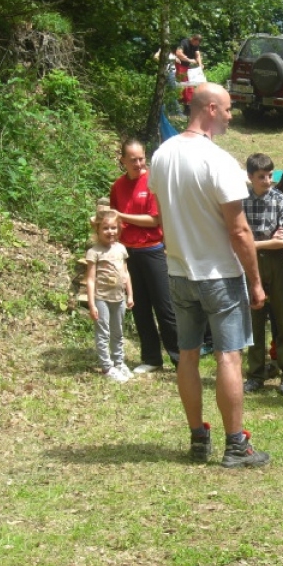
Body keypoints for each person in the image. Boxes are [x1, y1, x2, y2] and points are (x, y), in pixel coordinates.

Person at [149, 82, 269, 468]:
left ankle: (198, 440)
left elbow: (163, 214)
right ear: (212, 109)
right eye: (230, 108)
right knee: (228, 358)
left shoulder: (162, 154)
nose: (232, 115)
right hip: (218, 275)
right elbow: (238, 231)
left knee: (187, 356)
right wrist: (255, 281)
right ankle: (236, 446)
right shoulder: (218, 161)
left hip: (179, 273)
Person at [110, 138, 179, 374]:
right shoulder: (117, 186)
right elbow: (113, 220)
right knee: (139, 307)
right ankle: (151, 358)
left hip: (153, 250)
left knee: (165, 306)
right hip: (128, 253)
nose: (139, 163)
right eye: (133, 160)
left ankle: (180, 359)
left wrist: (122, 216)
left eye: (141, 158)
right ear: (123, 161)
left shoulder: (152, 183)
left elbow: (155, 220)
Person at [242, 153, 283, 396]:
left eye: (270, 175)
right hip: (250, 264)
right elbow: (235, 236)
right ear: (250, 177)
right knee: (254, 321)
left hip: (277, 264)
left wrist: (253, 244)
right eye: (261, 177)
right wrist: (265, 242)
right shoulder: (241, 201)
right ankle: (256, 374)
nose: (267, 181)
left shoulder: (281, 200)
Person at [85, 205, 134, 383]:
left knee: (118, 332)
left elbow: (126, 273)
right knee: (103, 332)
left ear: (119, 229)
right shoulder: (94, 252)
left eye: (113, 227)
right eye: (105, 228)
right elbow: (90, 280)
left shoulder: (121, 248)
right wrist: (91, 304)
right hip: (101, 298)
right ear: (97, 229)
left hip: (119, 298)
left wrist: (130, 295)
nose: (110, 231)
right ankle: (107, 367)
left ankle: (119, 362)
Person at [174, 34, 203, 114]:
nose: (197, 45)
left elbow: (197, 54)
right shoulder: (184, 42)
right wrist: (190, 60)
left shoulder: (196, 45)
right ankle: (181, 106)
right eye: (196, 43)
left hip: (188, 67)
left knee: (190, 85)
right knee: (184, 85)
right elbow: (178, 53)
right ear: (193, 39)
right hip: (180, 65)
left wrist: (200, 65)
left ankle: (188, 106)